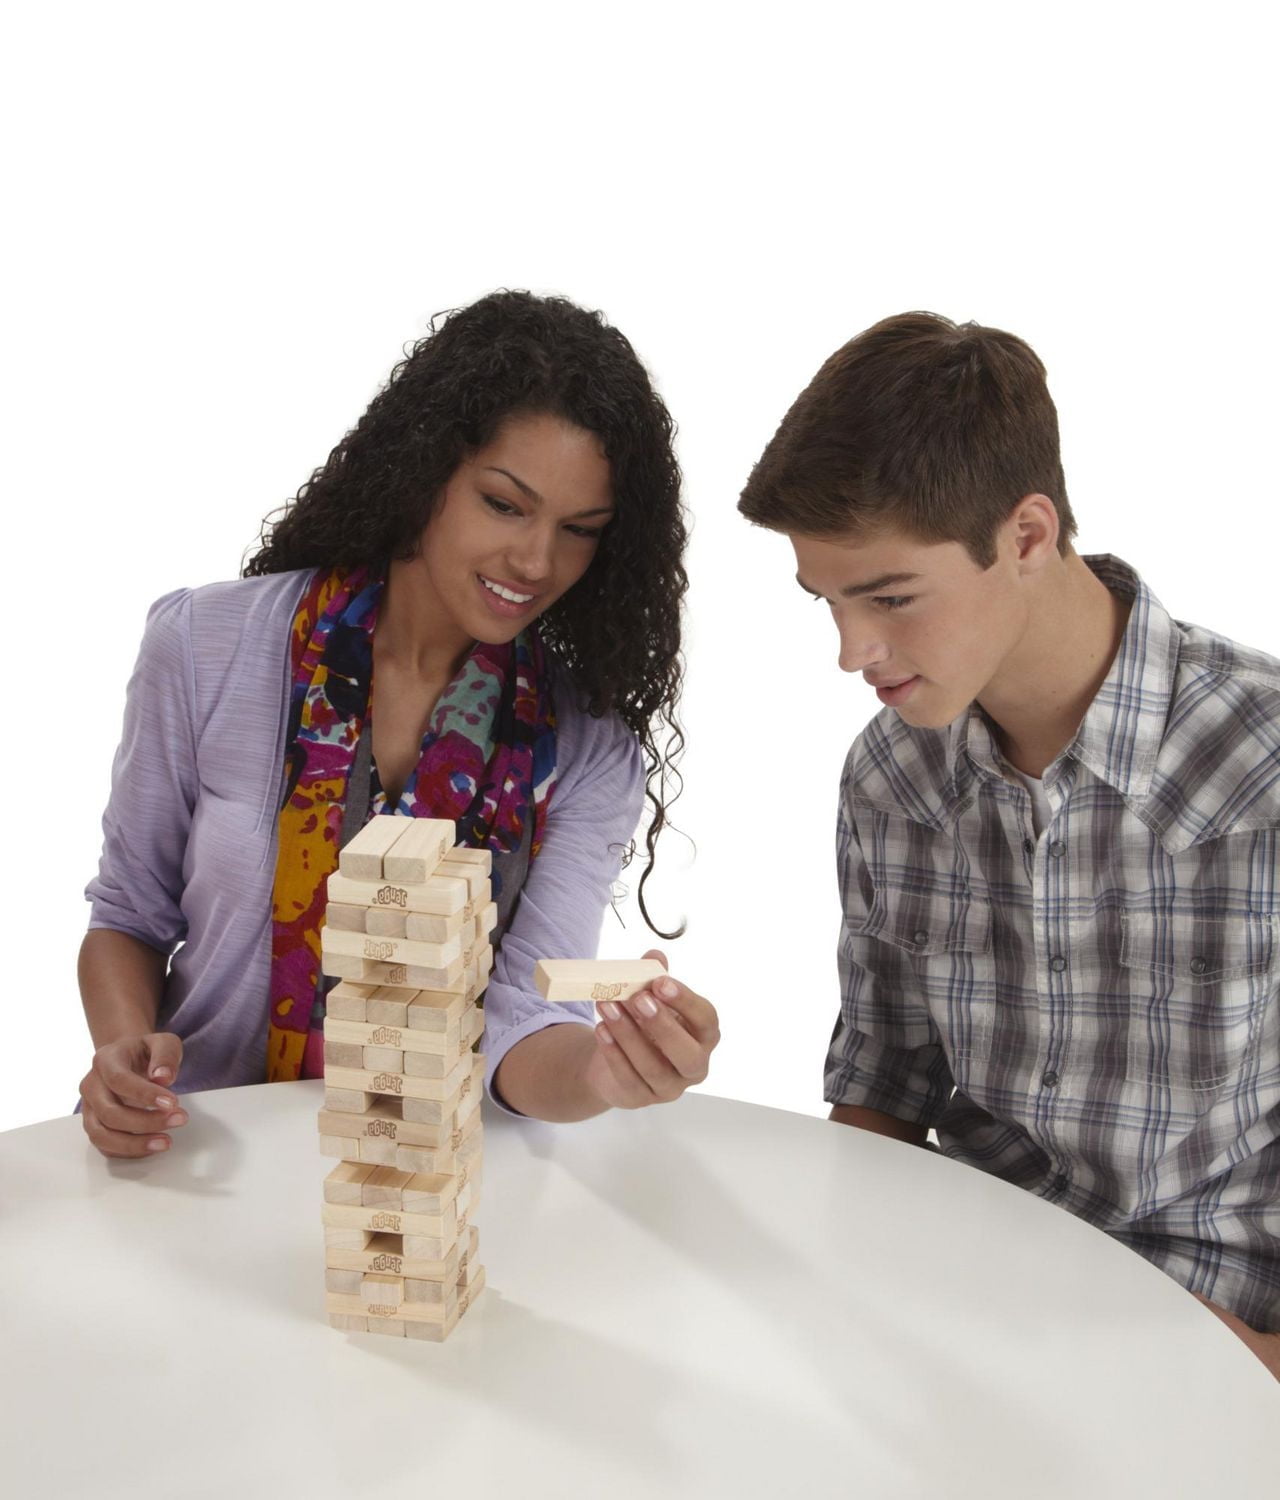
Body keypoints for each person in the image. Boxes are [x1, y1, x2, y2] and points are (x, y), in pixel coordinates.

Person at [737, 312, 1279, 1377]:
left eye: (888, 597)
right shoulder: (891, 776)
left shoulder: (1261, 770)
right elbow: (882, 1080)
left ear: (1026, 536)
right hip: (959, 1326)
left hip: (1211, 1349)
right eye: (827, 602)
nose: (852, 651)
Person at [79, 290, 719, 1157]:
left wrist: (607, 1072)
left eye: (579, 530)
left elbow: (528, 1018)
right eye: (504, 504)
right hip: (197, 1158)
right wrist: (122, 1055)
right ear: (426, 472)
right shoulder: (204, 646)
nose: (536, 562)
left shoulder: (588, 746)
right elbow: (130, 912)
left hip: (423, 1186)